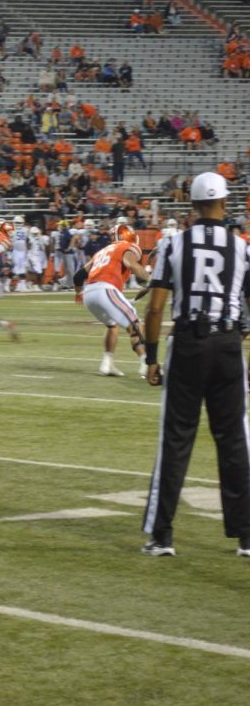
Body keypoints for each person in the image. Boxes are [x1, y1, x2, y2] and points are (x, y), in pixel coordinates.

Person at [140, 172, 250, 558]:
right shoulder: (242, 248)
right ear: (224, 203)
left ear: (192, 205)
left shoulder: (172, 245)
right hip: (227, 344)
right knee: (234, 439)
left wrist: (151, 358)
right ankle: (246, 535)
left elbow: (155, 308)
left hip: (188, 343)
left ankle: (161, 536)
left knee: (176, 439)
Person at [74, 224, 149, 377]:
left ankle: (107, 365)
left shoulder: (102, 251)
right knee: (135, 324)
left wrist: (78, 293)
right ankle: (146, 363)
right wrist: (150, 278)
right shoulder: (127, 247)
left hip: (90, 294)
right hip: (105, 289)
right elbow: (131, 264)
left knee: (112, 325)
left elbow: (78, 276)